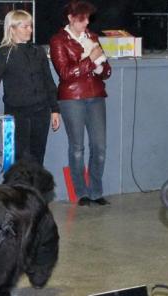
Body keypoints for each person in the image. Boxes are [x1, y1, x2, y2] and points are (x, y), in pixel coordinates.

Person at [50, 0, 112, 206]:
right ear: (70, 18)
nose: (86, 22)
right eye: (81, 19)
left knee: (100, 147)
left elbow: (107, 71)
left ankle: (96, 191)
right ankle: (81, 192)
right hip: (72, 98)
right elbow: (66, 74)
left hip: (96, 95)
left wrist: (100, 67)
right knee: (77, 147)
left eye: (87, 18)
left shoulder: (92, 37)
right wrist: (91, 61)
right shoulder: (58, 40)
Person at [0, 9, 60, 165]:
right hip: (17, 113)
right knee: (20, 159)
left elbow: (49, 82)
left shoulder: (39, 52)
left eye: (30, 26)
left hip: (41, 112)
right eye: (25, 26)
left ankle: (34, 190)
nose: (30, 29)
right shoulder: (4, 53)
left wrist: (55, 109)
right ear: (12, 29)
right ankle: (19, 189)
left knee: (38, 157)